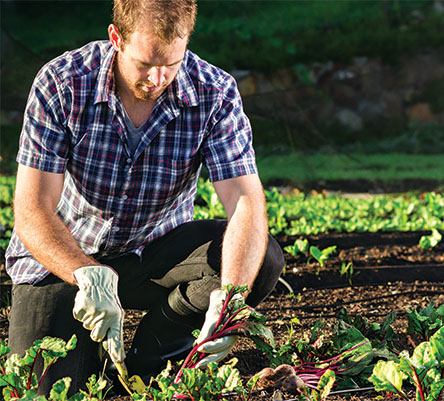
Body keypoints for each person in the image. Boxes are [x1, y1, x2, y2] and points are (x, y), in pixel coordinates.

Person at [5, 0, 284, 394]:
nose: (157, 78)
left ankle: (155, 356)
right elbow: (32, 209)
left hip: (154, 253)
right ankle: (94, 353)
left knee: (263, 258)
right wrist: (86, 274)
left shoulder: (215, 92)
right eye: (145, 64)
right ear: (116, 38)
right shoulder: (63, 82)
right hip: (65, 258)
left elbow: (246, 202)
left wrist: (230, 297)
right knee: (48, 388)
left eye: (170, 64)